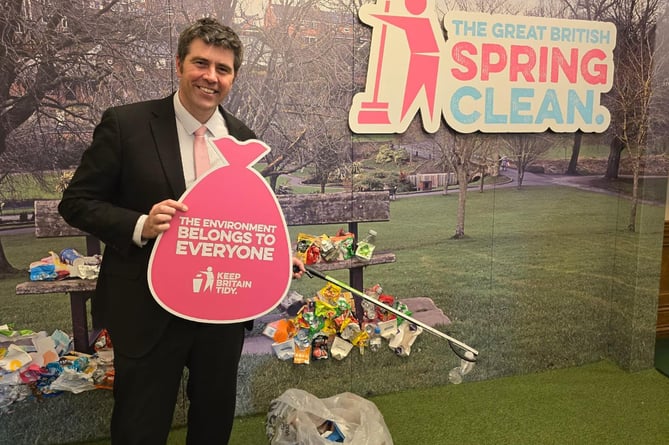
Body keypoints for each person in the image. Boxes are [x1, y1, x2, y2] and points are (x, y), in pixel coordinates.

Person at [59, 17, 305, 445]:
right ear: (179, 64)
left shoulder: (242, 138)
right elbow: (77, 202)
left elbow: (242, 219)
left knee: (213, 423)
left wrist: (275, 256)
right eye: (201, 63)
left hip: (222, 309)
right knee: (139, 428)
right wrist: (140, 224)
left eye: (223, 69)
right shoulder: (126, 124)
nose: (211, 77)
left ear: (233, 77)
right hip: (147, 308)